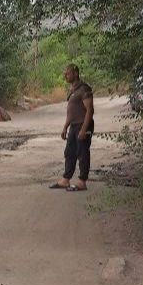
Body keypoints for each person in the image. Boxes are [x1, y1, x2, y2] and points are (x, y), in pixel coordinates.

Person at [51, 63, 94, 191]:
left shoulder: (84, 89)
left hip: (83, 125)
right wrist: (65, 127)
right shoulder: (73, 90)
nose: (65, 75)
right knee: (69, 152)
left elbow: (90, 110)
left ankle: (82, 182)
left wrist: (84, 129)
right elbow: (72, 112)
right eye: (65, 73)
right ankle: (66, 180)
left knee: (82, 153)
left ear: (76, 73)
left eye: (68, 73)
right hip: (74, 126)